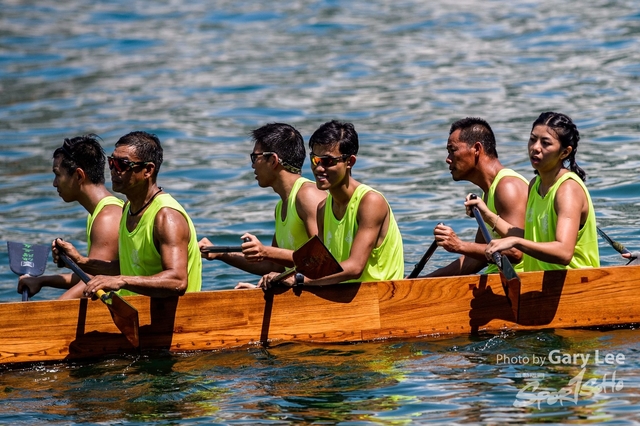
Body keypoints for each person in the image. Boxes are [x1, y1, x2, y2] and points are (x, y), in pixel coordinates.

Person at [257, 120, 404, 288]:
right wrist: (273, 281)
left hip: (381, 300)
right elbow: (315, 266)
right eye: (315, 159)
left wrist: (297, 279)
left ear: (350, 162)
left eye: (327, 161)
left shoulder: (370, 202)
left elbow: (355, 267)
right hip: (344, 298)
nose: (318, 168)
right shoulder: (323, 209)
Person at [53, 131, 202, 297]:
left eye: (122, 165)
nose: (114, 171)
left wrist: (121, 280)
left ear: (147, 170)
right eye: (111, 162)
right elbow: (126, 267)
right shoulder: (128, 209)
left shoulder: (167, 217)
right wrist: (81, 261)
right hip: (137, 316)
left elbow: (177, 281)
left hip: (182, 320)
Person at [468, 112, 600, 271]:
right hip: (538, 283)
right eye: (532, 139)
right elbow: (529, 237)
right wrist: (487, 215)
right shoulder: (535, 184)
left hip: (577, 286)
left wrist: (515, 242)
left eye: (545, 143)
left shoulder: (568, 189)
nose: (535, 148)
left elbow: (564, 252)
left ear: (565, 152)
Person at [199, 123, 326, 281]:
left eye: (255, 157)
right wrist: (220, 253)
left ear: (273, 160)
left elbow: (322, 260)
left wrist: (265, 251)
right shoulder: (281, 206)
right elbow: (273, 266)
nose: (252, 165)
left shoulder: (308, 195)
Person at [17, 134, 124, 300]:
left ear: (79, 176)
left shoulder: (107, 218)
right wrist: (42, 281)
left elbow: (92, 283)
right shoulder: (100, 213)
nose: (54, 183)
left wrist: (48, 316)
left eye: (58, 174)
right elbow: (91, 274)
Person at [426, 118, 529, 277]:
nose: (448, 158)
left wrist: (459, 245)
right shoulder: (488, 193)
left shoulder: (508, 187)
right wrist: (423, 280)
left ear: (476, 149)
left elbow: (515, 251)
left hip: (521, 282)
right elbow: (475, 259)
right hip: (495, 279)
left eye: (452, 150)